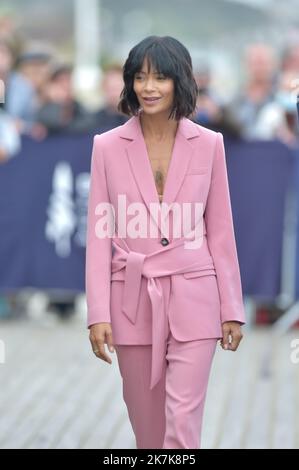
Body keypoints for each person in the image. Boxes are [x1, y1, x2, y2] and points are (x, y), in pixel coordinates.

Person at [85, 35, 245, 449]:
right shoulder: (105, 147)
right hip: (132, 299)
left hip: (196, 297)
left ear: (180, 81)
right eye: (140, 77)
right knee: (149, 434)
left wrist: (231, 308)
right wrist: (98, 313)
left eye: (159, 77)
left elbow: (221, 232)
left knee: (181, 430)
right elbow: (100, 236)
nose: (149, 87)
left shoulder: (210, 145)